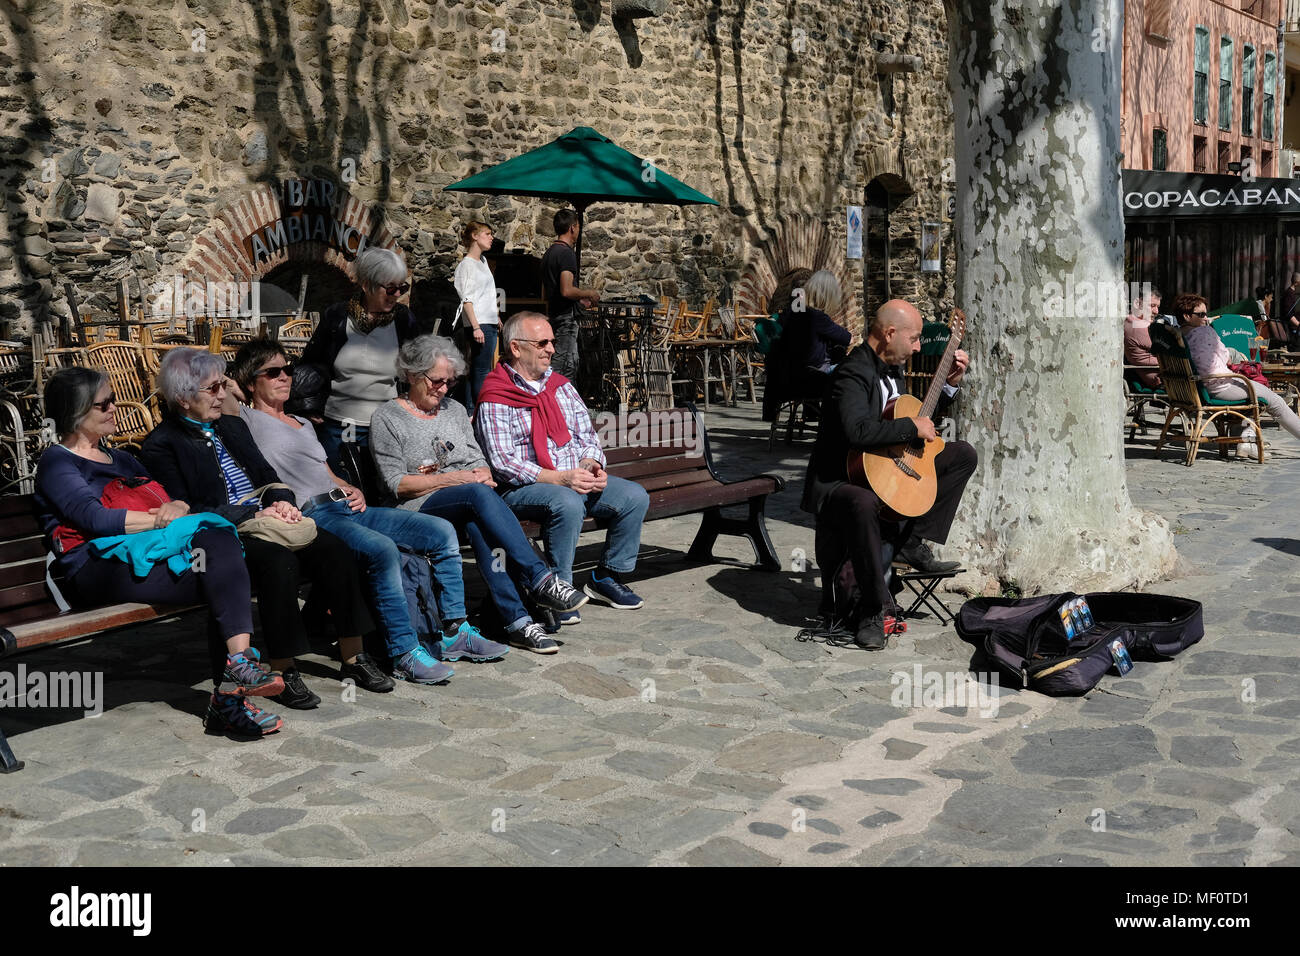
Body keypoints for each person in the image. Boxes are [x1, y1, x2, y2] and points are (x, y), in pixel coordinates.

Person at [34, 367, 286, 737]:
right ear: (75, 412)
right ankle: (230, 700)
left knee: (218, 542)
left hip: (142, 555)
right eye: (103, 404)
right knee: (221, 575)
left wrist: (180, 508)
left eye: (113, 400)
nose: (114, 408)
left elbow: (173, 501)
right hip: (94, 566)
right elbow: (94, 518)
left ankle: (238, 665)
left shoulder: (121, 459)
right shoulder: (59, 462)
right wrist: (161, 521)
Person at [140, 348, 394, 711]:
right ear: (182, 398)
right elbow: (187, 508)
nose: (222, 395)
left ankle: (354, 657)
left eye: (221, 387)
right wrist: (252, 515)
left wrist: (282, 501)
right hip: (223, 532)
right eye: (212, 389)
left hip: (270, 518)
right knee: (278, 564)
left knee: (334, 550)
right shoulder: (162, 445)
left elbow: (267, 476)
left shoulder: (231, 426)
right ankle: (283, 668)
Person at [231, 341, 475, 686]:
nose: (285, 377)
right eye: (273, 372)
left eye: (288, 369)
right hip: (311, 515)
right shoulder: (245, 420)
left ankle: (454, 628)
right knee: (381, 549)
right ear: (250, 381)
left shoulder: (301, 420)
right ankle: (403, 651)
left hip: (343, 504)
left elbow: (323, 470)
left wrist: (351, 486)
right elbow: (223, 392)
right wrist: (234, 386)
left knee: (439, 531)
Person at [368, 335, 590, 654]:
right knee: (475, 496)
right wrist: (457, 479)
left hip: (465, 503)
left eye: (450, 382)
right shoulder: (388, 417)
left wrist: (479, 475)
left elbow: (479, 462)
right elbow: (397, 484)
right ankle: (541, 579)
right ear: (412, 375)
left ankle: (518, 623)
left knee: (478, 521)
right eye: (437, 381)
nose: (443, 389)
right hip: (412, 509)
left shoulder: (454, 410)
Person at [802, 300, 977, 651]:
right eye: (913, 339)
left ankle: (911, 540)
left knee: (961, 456)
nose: (916, 347)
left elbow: (910, 418)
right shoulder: (850, 373)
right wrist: (910, 426)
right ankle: (871, 610)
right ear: (889, 333)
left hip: (883, 467)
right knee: (864, 501)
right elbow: (858, 432)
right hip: (842, 480)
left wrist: (948, 387)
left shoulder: (894, 366)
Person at [476, 312, 649, 617]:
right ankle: (558, 590)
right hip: (522, 490)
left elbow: (586, 434)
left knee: (634, 497)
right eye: (543, 343)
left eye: (553, 342)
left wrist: (591, 464)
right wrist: (560, 479)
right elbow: (502, 463)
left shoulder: (560, 386)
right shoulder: (496, 394)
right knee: (567, 502)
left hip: (572, 479)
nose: (552, 349)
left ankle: (606, 576)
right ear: (516, 348)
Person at [299, 245, 430, 473]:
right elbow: (311, 363)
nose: (398, 295)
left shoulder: (403, 320)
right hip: (336, 424)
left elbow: (420, 368)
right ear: (366, 285)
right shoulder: (337, 316)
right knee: (343, 492)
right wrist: (306, 405)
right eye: (390, 289)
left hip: (385, 425)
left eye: (402, 288)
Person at [1176, 292, 1300, 455]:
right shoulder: (1204, 333)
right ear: (1186, 316)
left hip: (1197, 388)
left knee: (1256, 393)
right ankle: (1247, 440)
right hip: (1219, 386)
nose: (1206, 318)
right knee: (1274, 400)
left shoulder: (1178, 336)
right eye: (1201, 315)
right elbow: (1218, 362)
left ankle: (1246, 438)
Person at [540, 209, 601, 384]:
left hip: (555, 313)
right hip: (565, 318)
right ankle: (557, 405)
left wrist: (578, 300)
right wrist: (588, 292)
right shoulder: (566, 253)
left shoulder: (550, 252)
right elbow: (566, 290)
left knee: (569, 362)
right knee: (563, 366)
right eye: (579, 227)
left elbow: (549, 291)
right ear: (573, 228)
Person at [452, 220, 500, 418]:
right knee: (481, 370)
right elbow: (467, 299)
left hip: (487, 322)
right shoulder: (467, 265)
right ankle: (481, 412)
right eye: (487, 233)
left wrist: (495, 316)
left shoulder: (483, 262)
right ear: (474, 236)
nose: (491, 237)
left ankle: (472, 410)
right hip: (478, 324)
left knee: (478, 369)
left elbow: (487, 293)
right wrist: (476, 326)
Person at [1123, 287, 1163, 389]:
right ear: (1137, 303)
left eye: (1157, 306)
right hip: (1162, 380)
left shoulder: (1130, 321)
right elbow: (1169, 349)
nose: (1156, 311)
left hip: (1159, 376)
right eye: (1152, 305)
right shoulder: (1138, 325)